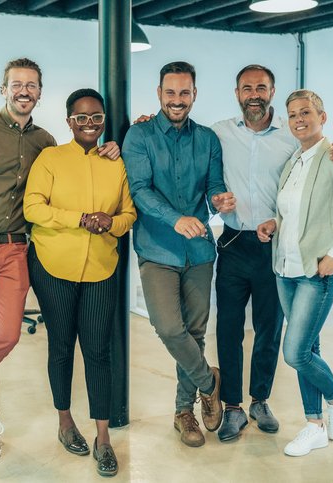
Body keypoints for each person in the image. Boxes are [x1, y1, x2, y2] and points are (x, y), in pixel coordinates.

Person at [0, 59, 120, 461]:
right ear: (4, 90)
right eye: (17, 84)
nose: (24, 91)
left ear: (39, 92)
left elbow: (68, 172)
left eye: (32, 85)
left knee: (5, 335)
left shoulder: (45, 142)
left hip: (16, 249)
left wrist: (111, 148)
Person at [209, 65, 333, 442]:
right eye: (246, 88)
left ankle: (260, 400)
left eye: (261, 87)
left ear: (272, 92)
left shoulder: (292, 140)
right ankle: (233, 407)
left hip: (274, 250)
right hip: (232, 241)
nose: (254, 94)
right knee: (229, 329)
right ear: (237, 94)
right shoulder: (217, 133)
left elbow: (328, 162)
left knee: (271, 332)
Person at [24, 88, 136, 477]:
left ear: (104, 120)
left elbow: (128, 213)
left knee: (99, 352)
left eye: (97, 117)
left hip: (101, 268)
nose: (90, 124)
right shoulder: (50, 158)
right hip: (52, 264)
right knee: (60, 347)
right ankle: (65, 422)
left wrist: (111, 223)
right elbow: (32, 207)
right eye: (81, 118)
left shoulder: (115, 162)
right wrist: (80, 218)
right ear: (69, 121)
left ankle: (103, 437)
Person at [122, 61, 234, 448]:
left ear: (194, 95)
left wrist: (219, 200)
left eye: (184, 93)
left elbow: (215, 188)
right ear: (158, 94)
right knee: (169, 327)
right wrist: (176, 219)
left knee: (196, 332)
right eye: (170, 92)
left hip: (200, 249)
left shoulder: (207, 139)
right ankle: (211, 382)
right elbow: (139, 190)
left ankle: (184, 412)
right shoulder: (138, 136)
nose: (177, 100)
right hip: (157, 248)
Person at [256, 89, 333, 457]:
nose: (298, 119)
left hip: (317, 271)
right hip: (285, 269)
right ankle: (314, 426)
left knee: (295, 352)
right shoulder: (294, 161)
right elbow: (298, 212)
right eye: (292, 114)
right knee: (309, 346)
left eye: (305, 112)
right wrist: (274, 224)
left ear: (322, 116)